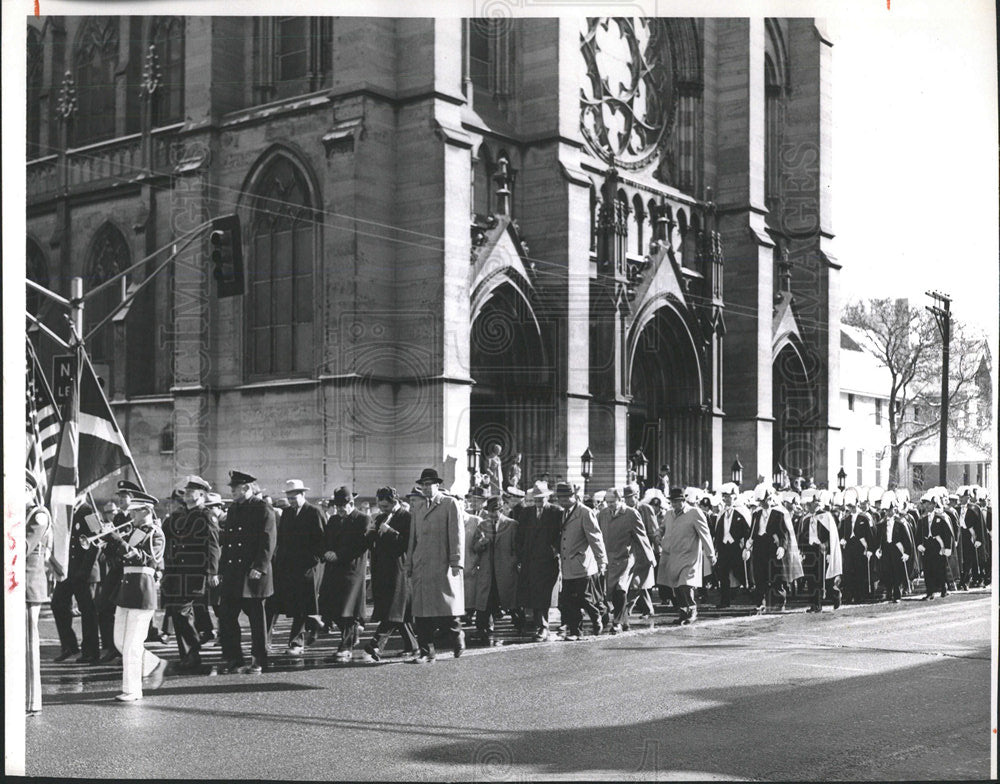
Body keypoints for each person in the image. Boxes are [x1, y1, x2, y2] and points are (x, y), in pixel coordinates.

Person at [102, 491, 168, 701]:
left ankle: (132, 690)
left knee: (131, 645)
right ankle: (153, 663)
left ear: (146, 510)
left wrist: (117, 540)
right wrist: (108, 540)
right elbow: (120, 557)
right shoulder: (133, 531)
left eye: (135, 511)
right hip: (125, 590)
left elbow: (145, 558)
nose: (131, 515)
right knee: (119, 641)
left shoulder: (156, 533)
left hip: (142, 590)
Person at [217, 470, 276, 674]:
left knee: (257, 621)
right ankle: (235, 659)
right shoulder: (234, 509)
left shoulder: (262, 509)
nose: (232, 491)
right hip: (234, 574)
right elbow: (229, 543)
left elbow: (268, 541)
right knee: (227, 616)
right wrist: (221, 569)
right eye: (232, 488)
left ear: (247, 487)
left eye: (235, 488)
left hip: (253, 575)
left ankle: (259, 659)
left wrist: (259, 567)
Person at [161, 475, 220, 671]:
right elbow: (165, 536)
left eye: (190, 491)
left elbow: (212, 545)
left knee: (182, 611)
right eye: (185, 492)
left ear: (202, 494)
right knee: (177, 613)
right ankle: (187, 655)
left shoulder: (206, 515)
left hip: (196, 571)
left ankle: (193, 652)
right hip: (177, 571)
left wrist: (212, 572)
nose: (186, 494)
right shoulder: (180, 515)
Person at [407, 468, 466, 663]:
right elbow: (412, 540)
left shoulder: (450, 504)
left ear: (437, 485)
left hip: (442, 564)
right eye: (423, 484)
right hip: (421, 566)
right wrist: (410, 564)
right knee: (421, 613)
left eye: (429, 484)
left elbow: (457, 535)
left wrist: (456, 562)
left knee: (446, 609)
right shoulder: (418, 508)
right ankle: (426, 651)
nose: (425, 488)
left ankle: (457, 636)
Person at [272, 479, 327, 656]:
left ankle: (296, 642)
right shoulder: (287, 513)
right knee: (298, 604)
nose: (292, 500)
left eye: (294, 497)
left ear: (303, 495)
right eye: (289, 497)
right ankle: (315, 623)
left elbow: (321, 538)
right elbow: (282, 539)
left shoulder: (314, 512)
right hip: (291, 566)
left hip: (309, 566)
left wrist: (314, 558)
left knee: (304, 603)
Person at [363, 487, 417, 661]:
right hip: (382, 569)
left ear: (395, 502)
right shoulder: (379, 518)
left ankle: (376, 643)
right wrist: (370, 534)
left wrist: (390, 532)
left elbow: (407, 543)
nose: (382, 509)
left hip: (398, 568)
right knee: (398, 609)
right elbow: (372, 544)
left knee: (393, 607)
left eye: (386, 506)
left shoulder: (406, 517)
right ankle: (413, 645)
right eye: (380, 505)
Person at [319, 486, 371, 662]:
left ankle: (346, 645)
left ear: (352, 503)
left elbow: (359, 545)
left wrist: (339, 555)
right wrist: (326, 552)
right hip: (334, 569)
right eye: (338, 505)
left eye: (344, 505)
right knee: (330, 606)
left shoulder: (363, 519)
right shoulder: (333, 520)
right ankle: (352, 633)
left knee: (347, 609)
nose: (341, 509)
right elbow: (325, 540)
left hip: (352, 570)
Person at [51, 497, 101, 663]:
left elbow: (97, 543)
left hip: (85, 572)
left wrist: (84, 571)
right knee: (58, 604)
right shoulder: (66, 511)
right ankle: (69, 646)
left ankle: (91, 651)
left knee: (88, 611)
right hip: (67, 570)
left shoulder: (90, 512)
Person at [554, 482, 606, 640]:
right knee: (569, 600)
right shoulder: (563, 512)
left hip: (582, 563)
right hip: (567, 565)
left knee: (584, 597)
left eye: (565, 498)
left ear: (574, 496)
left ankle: (596, 615)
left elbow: (596, 538)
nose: (562, 501)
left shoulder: (585, 512)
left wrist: (601, 561)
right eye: (560, 498)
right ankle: (575, 632)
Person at [658, 487, 716, 625]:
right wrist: (657, 535)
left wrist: (711, 554)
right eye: (673, 501)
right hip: (673, 556)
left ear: (684, 500)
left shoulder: (695, 513)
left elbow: (705, 534)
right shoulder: (669, 514)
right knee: (677, 587)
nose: (675, 504)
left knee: (685, 584)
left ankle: (692, 610)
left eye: (678, 501)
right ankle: (683, 612)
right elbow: (662, 528)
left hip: (690, 556)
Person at [602, 488, 655, 633]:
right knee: (611, 591)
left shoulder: (631, 514)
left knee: (620, 588)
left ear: (620, 500)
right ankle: (624, 621)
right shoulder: (603, 514)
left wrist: (650, 557)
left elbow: (641, 536)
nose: (610, 505)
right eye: (607, 502)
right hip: (609, 559)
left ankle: (617, 622)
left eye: (612, 502)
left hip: (626, 558)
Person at [515, 481, 562, 641]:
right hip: (530, 560)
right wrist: (520, 556)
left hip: (548, 561)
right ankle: (540, 625)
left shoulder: (556, 512)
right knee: (534, 593)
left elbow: (561, 534)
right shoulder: (526, 513)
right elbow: (519, 536)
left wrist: (554, 549)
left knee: (544, 594)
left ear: (547, 497)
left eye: (541, 498)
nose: (538, 501)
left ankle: (543, 626)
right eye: (535, 498)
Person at [469, 495, 519, 646]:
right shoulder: (482, 525)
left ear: (502, 509)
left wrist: (513, 562)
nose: (492, 514)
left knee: (510, 599)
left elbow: (517, 548)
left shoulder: (512, 525)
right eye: (489, 511)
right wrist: (481, 543)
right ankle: (483, 627)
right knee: (485, 600)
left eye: (495, 511)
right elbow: (474, 547)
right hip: (487, 570)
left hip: (505, 569)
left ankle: (519, 623)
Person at [25, 474, 54, 715]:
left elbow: (24, 546)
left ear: (29, 490)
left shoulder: (37, 515)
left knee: (28, 645)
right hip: (15, 586)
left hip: (27, 587)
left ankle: (31, 701)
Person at [746, 485, 791, 613]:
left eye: (763, 501)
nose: (762, 504)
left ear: (769, 498)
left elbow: (784, 533)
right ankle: (760, 601)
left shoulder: (779, 514)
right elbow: (752, 531)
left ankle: (780, 601)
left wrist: (782, 547)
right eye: (760, 502)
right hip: (759, 545)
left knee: (776, 574)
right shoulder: (756, 514)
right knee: (759, 575)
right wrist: (748, 545)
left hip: (772, 545)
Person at [798, 490, 843, 612]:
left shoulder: (826, 516)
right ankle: (815, 604)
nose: (807, 506)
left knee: (824, 578)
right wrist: (801, 550)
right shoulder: (805, 518)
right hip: (809, 551)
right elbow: (801, 536)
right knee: (811, 577)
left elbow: (832, 536)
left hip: (822, 550)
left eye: (809, 504)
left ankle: (835, 595)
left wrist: (827, 547)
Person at [714, 483, 752, 609]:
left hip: (737, 548)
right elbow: (718, 532)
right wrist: (717, 548)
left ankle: (752, 595)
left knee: (741, 573)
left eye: (728, 496)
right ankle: (725, 600)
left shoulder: (742, 512)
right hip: (724, 549)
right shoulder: (721, 513)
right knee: (723, 575)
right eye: (724, 496)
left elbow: (748, 532)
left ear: (735, 496)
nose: (725, 499)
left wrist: (747, 548)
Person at [622, 484, 657, 618]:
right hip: (630, 551)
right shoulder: (626, 510)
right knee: (638, 582)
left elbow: (652, 531)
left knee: (637, 581)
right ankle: (648, 609)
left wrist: (656, 549)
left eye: (630, 498)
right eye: (625, 498)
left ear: (636, 496)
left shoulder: (645, 509)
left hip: (643, 550)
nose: (627, 501)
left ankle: (626, 609)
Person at [838, 488, 876, 604]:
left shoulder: (864, 517)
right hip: (849, 547)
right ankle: (849, 595)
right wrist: (842, 540)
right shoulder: (846, 518)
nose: (851, 507)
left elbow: (870, 534)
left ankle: (860, 595)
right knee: (849, 571)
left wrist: (870, 549)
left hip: (860, 547)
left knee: (860, 571)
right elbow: (841, 533)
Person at [875, 491, 912, 603]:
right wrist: (877, 548)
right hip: (886, 548)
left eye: (890, 510)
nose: (888, 513)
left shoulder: (900, 522)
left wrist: (907, 553)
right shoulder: (882, 523)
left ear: (895, 510)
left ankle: (897, 593)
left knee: (897, 571)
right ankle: (889, 592)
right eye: (886, 511)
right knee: (887, 571)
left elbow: (907, 539)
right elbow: (879, 537)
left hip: (897, 549)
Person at [916, 493, 952, 600]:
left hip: (938, 546)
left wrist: (947, 547)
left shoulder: (941, 516)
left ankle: (944, 588)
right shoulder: (922, 519)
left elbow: (947, 533)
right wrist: (919, 545)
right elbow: (918, 534)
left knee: (940, 568)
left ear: (935, 504)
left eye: (929, 504)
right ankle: (930, 592)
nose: (927, 506)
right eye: (925, 504)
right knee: (928, 569)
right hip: (927, 546)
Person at [957, 487, 987, 588]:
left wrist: (979, 539)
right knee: (964, 558)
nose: (961, 499)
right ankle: (964, 579)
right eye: (960, 497)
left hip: (972, 535)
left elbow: (980, 525)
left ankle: (976, 578)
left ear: (968, 497)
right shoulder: (957, 508)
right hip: (962, 535)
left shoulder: (975, 508)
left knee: (974, 558)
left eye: (963, 497)